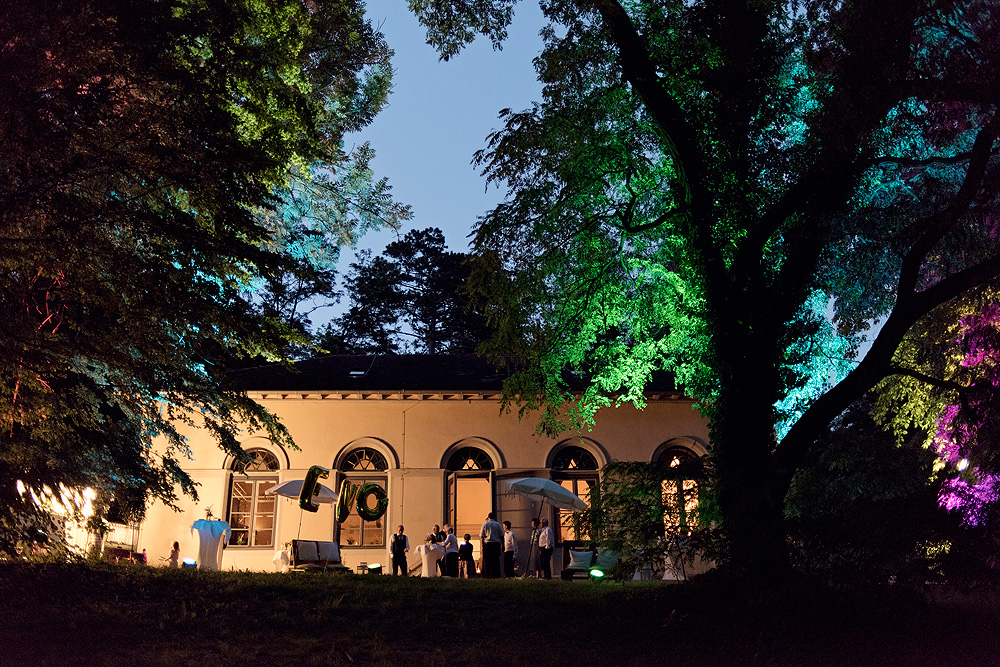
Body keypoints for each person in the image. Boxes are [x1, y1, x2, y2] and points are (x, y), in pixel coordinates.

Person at [479, 512, 504, 578]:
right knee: (495, 561)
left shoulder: (484, 525)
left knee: (487, 561)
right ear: (494, 517)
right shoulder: (498, 524)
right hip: (496, 544)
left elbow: (481, 536)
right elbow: (501, 535)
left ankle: (487, 575)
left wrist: (482, 546)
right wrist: (502, 544)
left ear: (488, 517)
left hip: (488, 544)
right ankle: (496, 575)